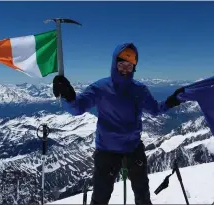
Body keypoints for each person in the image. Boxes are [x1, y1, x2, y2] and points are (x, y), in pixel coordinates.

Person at [52, 43, 184, 205]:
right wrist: (69, 97)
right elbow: (78, 108)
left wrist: (172, 101)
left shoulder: (139, 90)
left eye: (129, 66)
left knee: (143, 195)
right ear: (115, 64)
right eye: (121, 65)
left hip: (133, 147)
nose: (125, 70)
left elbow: (155, 109)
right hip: (107, 151)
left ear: (134, 68)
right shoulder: (100, 88)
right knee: (100, 197)